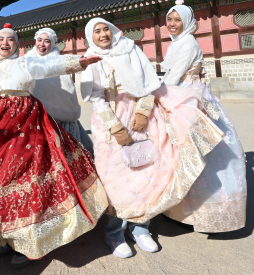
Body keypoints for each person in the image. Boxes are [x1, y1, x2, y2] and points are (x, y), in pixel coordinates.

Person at [0, 24, 108, 268]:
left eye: (11, 40)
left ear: (18, 45)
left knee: (23, 178)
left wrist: (79, 63)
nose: (5, 43)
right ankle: (7, 235)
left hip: (25, 126)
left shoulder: (25, 63)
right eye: (1, 39)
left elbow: (49, 66)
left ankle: (30, 241)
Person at [80, 18, 224, 259]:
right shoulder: (91, 58)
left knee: (148, 170)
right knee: (115, 175)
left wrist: (144, 110)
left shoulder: (130, 48)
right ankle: (114, 232)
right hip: (111, 117)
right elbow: (95, 96)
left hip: (142, 115)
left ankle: (141, 227)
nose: (103, 34)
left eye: (106, 29)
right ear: (90, 36)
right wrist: (115, 126)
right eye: (97, 31)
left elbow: (149, 83)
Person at [161, 0, 247, 233]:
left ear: (187, 22)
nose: (172, 24)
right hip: (182, 95)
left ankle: (207, 211)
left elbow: (172, 77)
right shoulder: (176, 43)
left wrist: (149, 94)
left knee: (199, 153)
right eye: (169, 19)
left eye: (177, 20)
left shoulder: (187, 44)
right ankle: (182, 209)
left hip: (188, 98)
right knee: (187, 153)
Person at [25, 27, 94, 154]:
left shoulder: (59, 62)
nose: (42, 44)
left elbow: (67, 90)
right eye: (39, 40)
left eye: (46, 41)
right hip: (34, 117)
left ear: (52, 43)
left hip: (59, 119)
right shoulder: (26, 61)